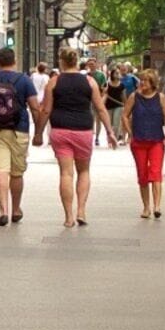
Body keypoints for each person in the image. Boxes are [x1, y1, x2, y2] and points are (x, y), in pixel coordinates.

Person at [0, 44, 42, 227]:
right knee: (17, 173)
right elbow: (35, 107)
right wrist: (38, 132)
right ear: (15, 61)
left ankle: (3, 210)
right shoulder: (24, 80)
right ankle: (16, 209)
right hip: (19, 130)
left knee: (0, 170)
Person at [45, 44, 110, 227]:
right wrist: (110, 132)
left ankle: (68, 216)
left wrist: (39, 132)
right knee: (84, 171)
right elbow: (100, 108)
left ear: (62, 62)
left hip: (61, 130)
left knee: (66, 173)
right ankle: (81, 210)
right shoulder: (90, 82)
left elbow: (45, 110)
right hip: (83, 131)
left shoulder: (54, 82)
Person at [127, 69, 165, 219]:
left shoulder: (160, 98)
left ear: (152, 83)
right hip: (139, 141)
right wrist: (130, 133)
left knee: (155, 172)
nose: (142, 83)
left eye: (145, 80)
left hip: (156, 140)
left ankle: (157, 206)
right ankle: (146, 207)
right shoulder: (134, 97)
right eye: (141, 80)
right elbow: (124, 116)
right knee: (143, 174)